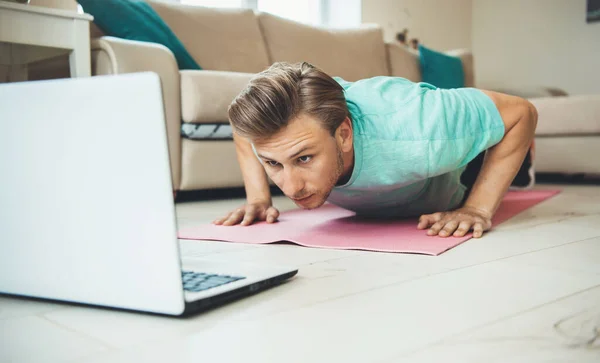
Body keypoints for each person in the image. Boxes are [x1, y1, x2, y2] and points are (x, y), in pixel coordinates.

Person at [213, 62, 537, 239]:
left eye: (304, 158)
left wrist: (477, 209)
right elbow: (246, 134)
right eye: (273, 163)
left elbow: (521, 112)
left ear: (343, 135)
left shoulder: (416, 124)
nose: (291, 187)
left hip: (461, 164)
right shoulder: (279, 134)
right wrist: (258, 198)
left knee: (510, 157)